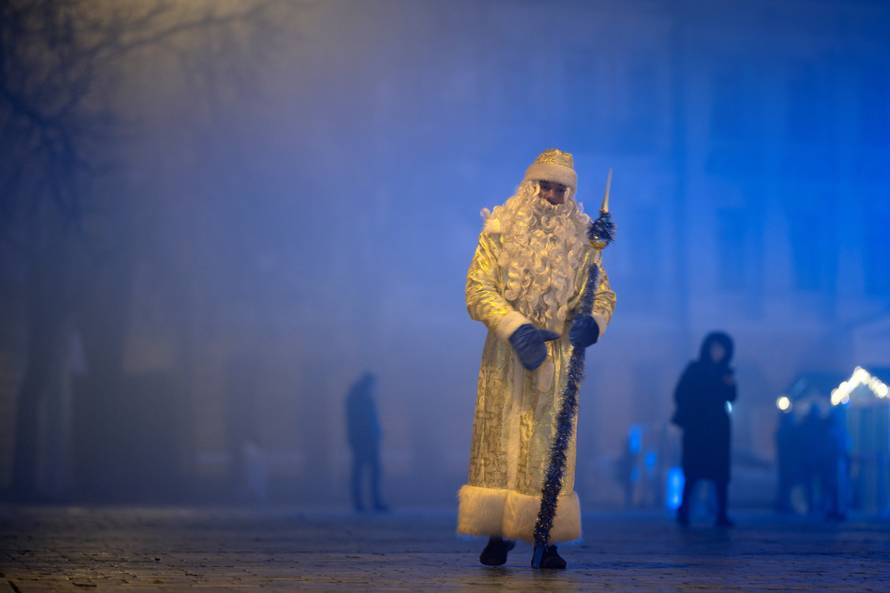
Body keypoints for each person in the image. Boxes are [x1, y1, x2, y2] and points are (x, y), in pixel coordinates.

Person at [457, 149, 616, 569]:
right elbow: (477, 290)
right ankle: (499, 531)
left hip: (557, 361)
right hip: (506, 358)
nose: (550, 195)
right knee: (501, 443)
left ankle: (546, 538)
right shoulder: (498, 231)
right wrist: (516, 328)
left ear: (569, 194)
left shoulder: (584, 243)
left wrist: (592, 323)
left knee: (548, 450)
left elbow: (600, 295)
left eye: (560, 189)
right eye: (544, 186)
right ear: (530, 187)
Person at [672, 332, 737, 527]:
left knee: (720, 475)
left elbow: (732, 397)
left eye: (721, 349)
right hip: (697, 427)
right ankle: (684, 511)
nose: (718, 352)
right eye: (715, 348)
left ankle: (721, 514)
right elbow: (680, 393)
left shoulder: (726, 372)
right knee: (692, 472)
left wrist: (729, 385)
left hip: (718, 429)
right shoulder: (695, 369)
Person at [345, 372, 388, 512]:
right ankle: (368, 502)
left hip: (366, 440)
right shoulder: (361, 399)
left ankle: (365, 502)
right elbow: (364, 421)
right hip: (364, 440)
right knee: (366, 471)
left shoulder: (357, 398)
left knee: (365, 471)